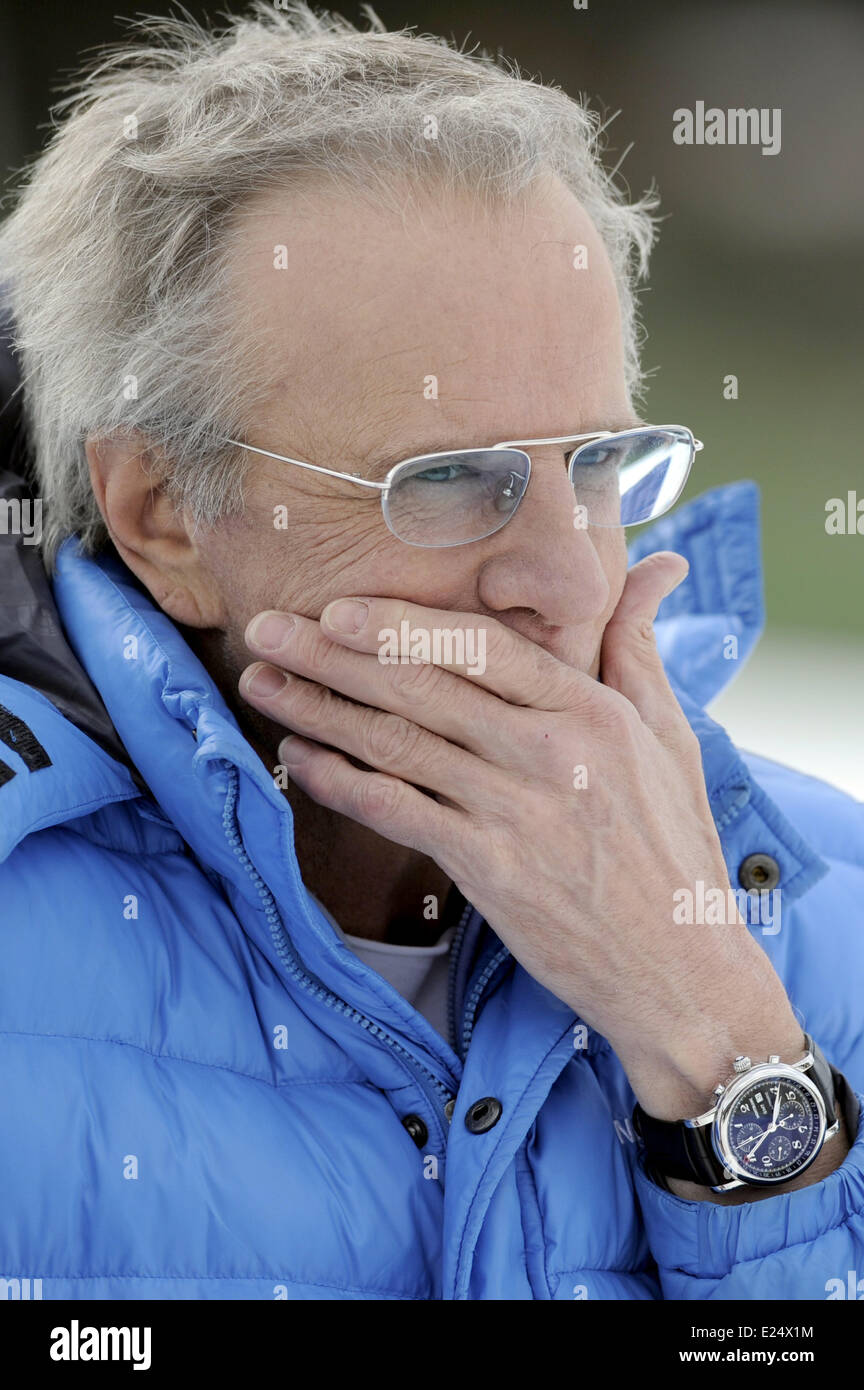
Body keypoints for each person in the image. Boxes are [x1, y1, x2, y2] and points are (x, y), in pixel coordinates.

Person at [0, 2, 862, 1301]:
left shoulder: (822, 906)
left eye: (602, 466)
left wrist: (719, 1041)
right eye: (452, 482)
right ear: (162, 513)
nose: (569, 581)